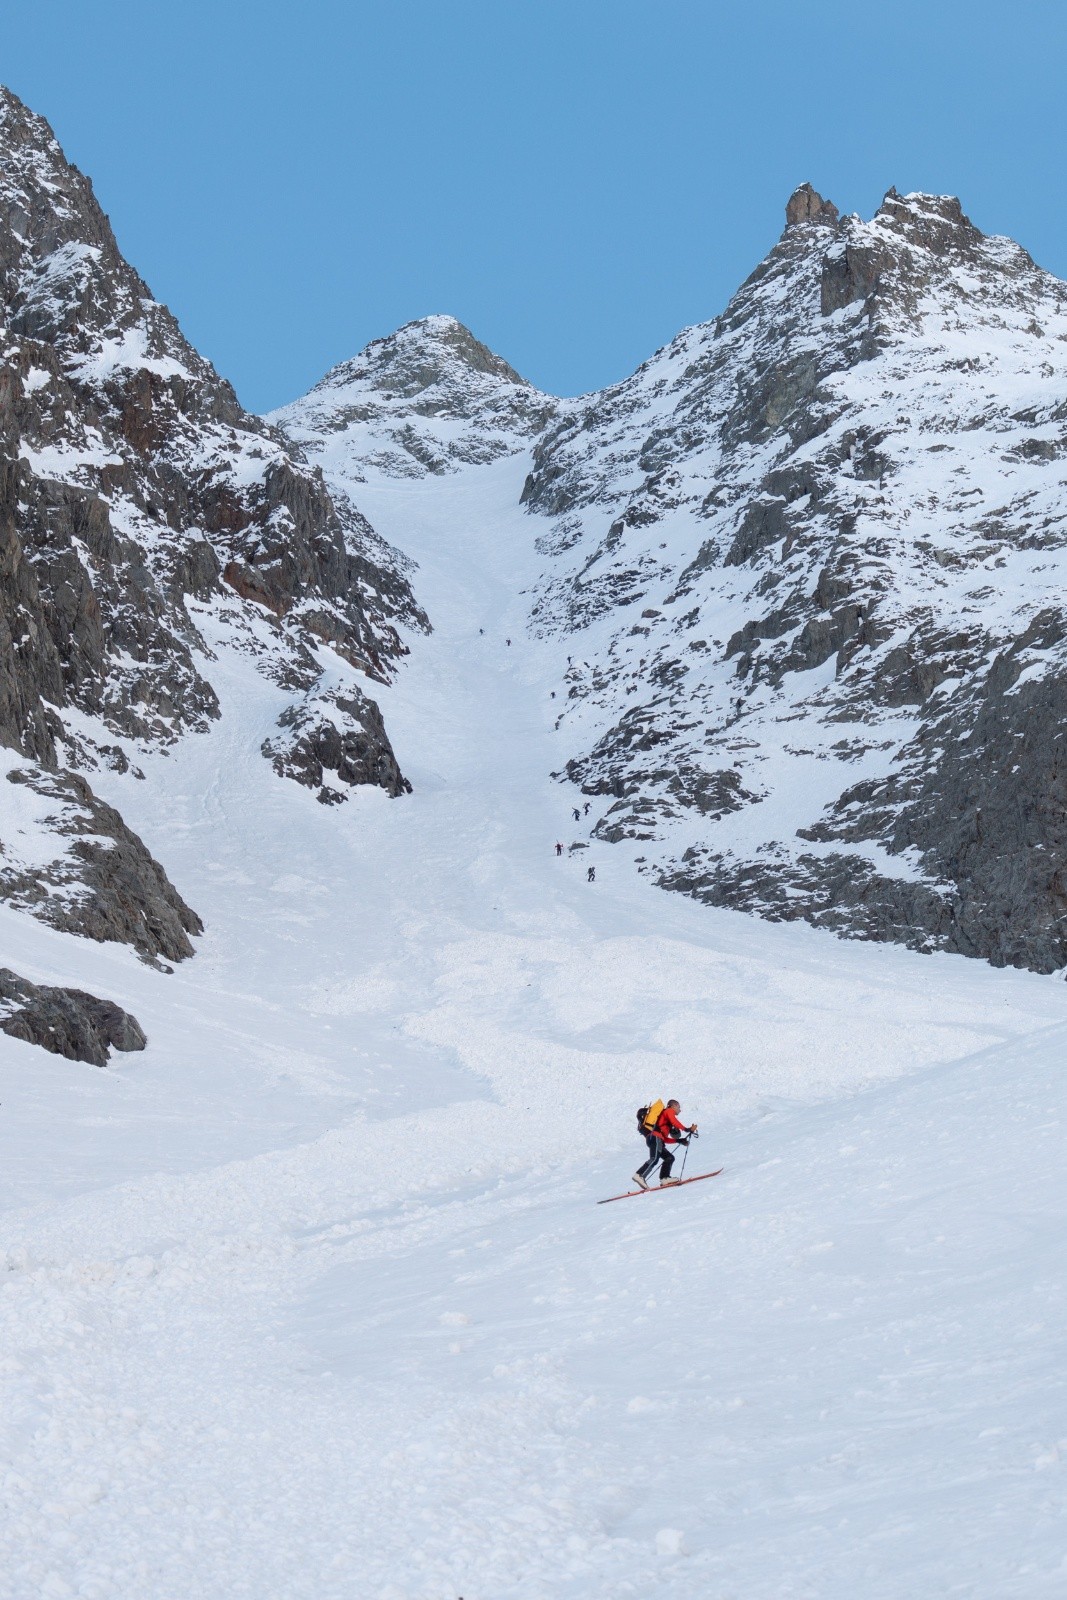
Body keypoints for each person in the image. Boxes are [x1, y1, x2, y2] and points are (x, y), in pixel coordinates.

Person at [633, 1100, 697, 1189]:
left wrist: (679, 1141)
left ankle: (664, 1178)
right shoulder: (668, 1111)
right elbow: (674, 1121)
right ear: (674, 1106)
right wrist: (686, 1129)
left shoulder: (665, 1124)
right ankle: (640, 1174)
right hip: (655, 1138)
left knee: (669, 1158)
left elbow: (665, 1139)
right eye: (679, 1107)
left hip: (656, 1139)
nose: (680, 1110)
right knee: (654, 1159)